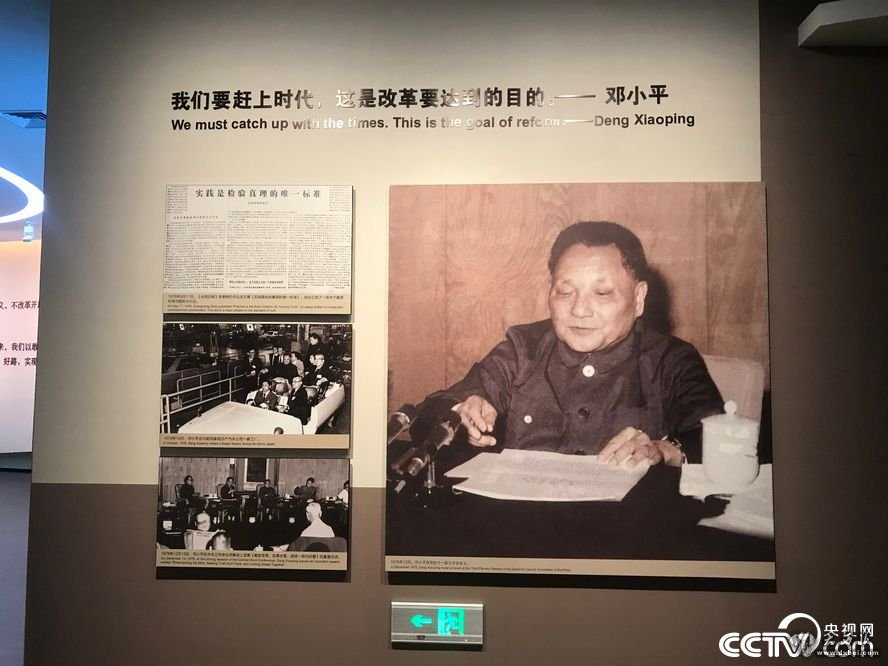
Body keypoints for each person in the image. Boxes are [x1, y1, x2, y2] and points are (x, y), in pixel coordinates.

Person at [410, 221, 723, 466]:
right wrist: (460, 415)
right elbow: (430, 413)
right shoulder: (522, 349)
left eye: (602, 293)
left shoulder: (671, 360)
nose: (580, 310)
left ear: (639, 298)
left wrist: (663, 450)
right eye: (565, 292)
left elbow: (721, 441)